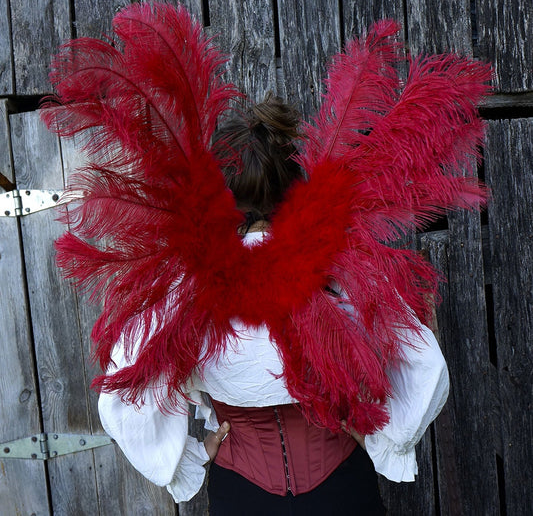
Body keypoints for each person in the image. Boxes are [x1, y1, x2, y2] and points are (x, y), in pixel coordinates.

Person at [98, 93, 450, 515]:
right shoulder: (338, 270)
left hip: (241, 496)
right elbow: (423, 362)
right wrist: (375, 434)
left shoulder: (187, 287)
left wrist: (192, 456)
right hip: (341, 490)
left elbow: (124, 393)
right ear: (289, 188)